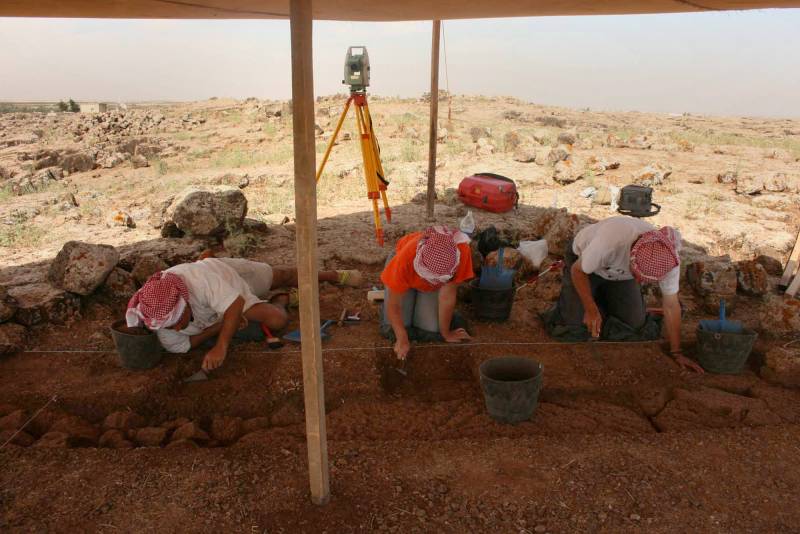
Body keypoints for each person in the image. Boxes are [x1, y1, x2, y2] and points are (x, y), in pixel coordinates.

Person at [126, 257, 362, 371]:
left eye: (178, 322)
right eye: (170, 327)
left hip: (225, 275)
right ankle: (283, 299)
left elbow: (235, 303)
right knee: (277, 319)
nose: (176, 328)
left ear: (185, 303)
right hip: (225, 306)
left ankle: (332, 275)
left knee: (280, 276)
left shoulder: (198, 281)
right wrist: (220, 327)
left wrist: (221, 346)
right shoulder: (157, 318)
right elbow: (183, 344)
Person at [549, 216, 703, 374]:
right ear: (632, 253)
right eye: (637, 273)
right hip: (584, 266)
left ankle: (604, 300)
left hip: (619, 276)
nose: (638, 280)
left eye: (643, 279)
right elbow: (577, 270)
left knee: (634, 324)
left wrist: (677, 353)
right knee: (574, 325)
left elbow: (671, 305)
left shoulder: (668, 261)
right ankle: (591, 302)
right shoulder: (610, 243)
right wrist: (590, 308)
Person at [380, 226, 474, 359]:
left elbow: (447, 296)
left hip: (426, 284)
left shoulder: (461, 250)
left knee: (430, 329)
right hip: (405, 273)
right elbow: (394, 305)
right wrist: (402, 338)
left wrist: (446, 333)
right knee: (397, 327)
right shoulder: (403, 261)